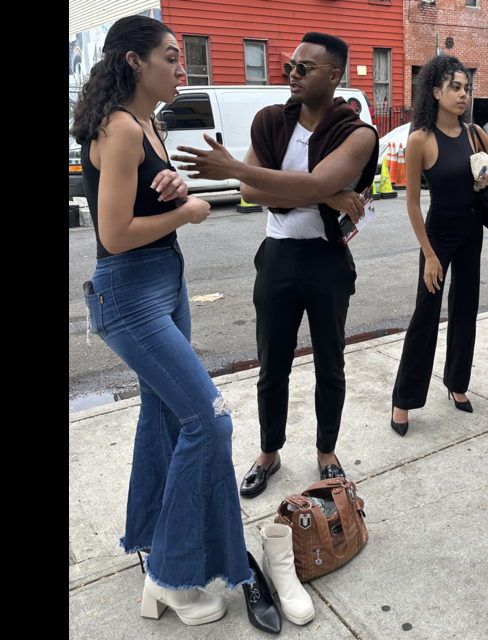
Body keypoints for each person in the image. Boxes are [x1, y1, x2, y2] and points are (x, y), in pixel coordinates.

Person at [72, 15, 250, 624]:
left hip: (164, 284)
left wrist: (170, 188)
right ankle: (174, 574)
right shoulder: (121, 127)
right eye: (172, 57)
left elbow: (140, 197)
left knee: (164, 416)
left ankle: (151, 547)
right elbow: (114, 235)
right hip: (130, 294)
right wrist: (190, 211)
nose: (182, 67)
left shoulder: (151, 123)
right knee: (210, 419)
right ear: (133, 62)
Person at [171, 33, 379, 494]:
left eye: (305, 68)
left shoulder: (358, 133)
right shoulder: (270, 122)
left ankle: (326, 452)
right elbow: (254, 193)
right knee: (272, 364)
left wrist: (242, 169)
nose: (292, 74)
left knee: (331, 362)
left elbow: (308, 181)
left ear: (334, 75)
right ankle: (269, 450)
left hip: (327, 259)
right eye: (290, 66)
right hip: (279, 256)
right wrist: (322, 192)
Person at [389, 56, 488, 435]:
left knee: (466, 308)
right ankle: (403, 401)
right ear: (435, 92)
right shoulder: (420, 138)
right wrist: (430, 256)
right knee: (425, 316)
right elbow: (412, 204)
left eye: (466, 88)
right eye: (455, 87)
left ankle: (457, 383)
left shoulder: (475, 133)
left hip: (473, 231)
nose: (463, 94)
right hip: (438, 235)